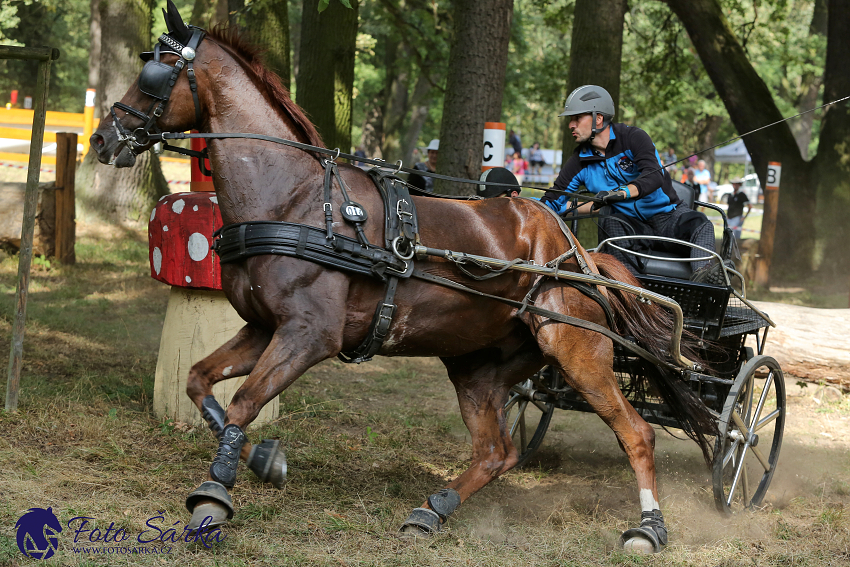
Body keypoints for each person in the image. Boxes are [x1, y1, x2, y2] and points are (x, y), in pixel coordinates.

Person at [539, 85, 717, 277]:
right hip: (630, 227)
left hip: (668, 218)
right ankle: (628, 290)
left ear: (598, 119)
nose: (570, 125)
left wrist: (619, 193)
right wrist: (519, 203)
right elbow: (553, 201)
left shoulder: (633, 138)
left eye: (576, 118)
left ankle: (705, 276)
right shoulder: (579, 162)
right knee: (609, 217)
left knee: (702, 223)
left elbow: (654, 175)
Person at [726, 177, 752, 241]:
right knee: (728, 234)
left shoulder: (741, 195)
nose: (735, 185)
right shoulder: (730, 195)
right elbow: (729, 205)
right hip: (729, 218)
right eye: (734, 184)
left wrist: (744, 217)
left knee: (734, 235)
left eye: (737, 184)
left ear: (739, 185)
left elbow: (750, 206)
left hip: (737, 217)